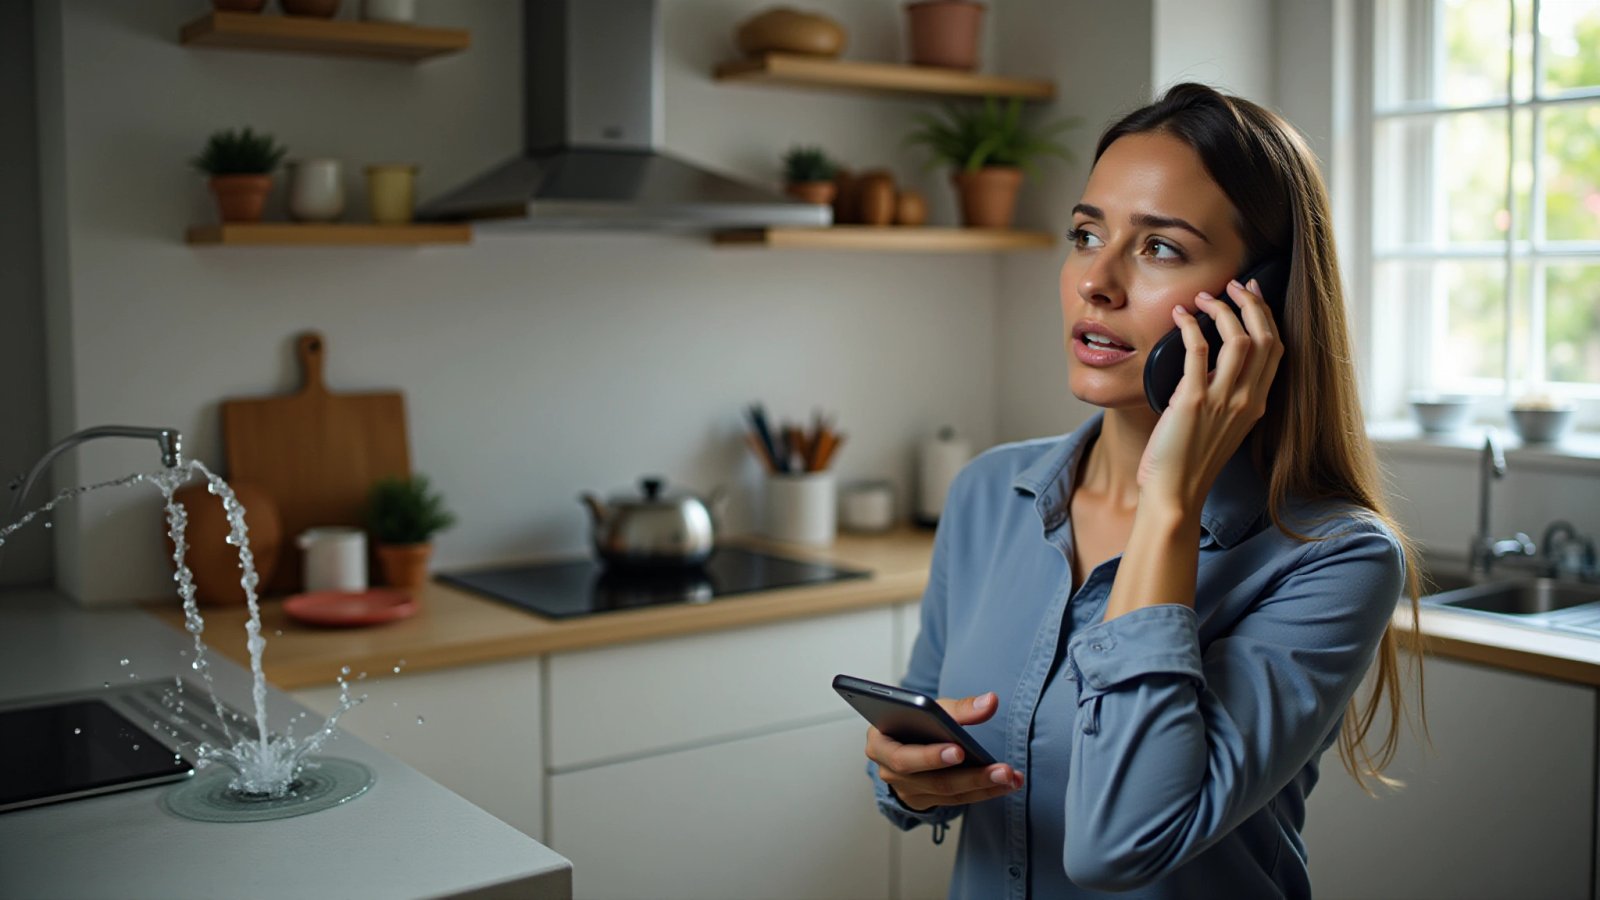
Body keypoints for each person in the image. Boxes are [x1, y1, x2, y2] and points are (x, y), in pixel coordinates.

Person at [863, 82, 1423, 899]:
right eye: (1086, 234)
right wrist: (906, 778)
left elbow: (1121, 845)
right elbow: (924, 738)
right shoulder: (989, 493)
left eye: (1160, 248)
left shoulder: (1335, 561)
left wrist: (1169, 505)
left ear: (1258, 300)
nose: (1097, 281)